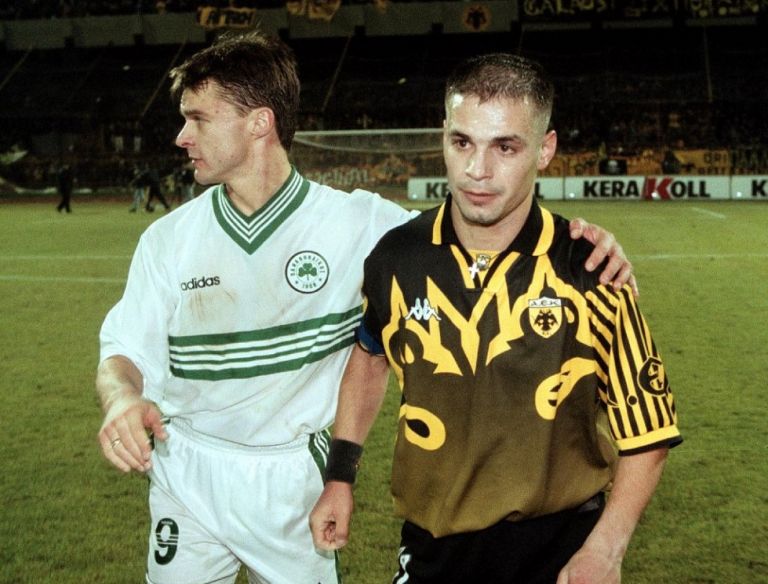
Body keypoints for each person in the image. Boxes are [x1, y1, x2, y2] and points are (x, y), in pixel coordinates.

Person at [96, 33, 635, 584]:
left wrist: (586, 245)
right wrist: (122, 399)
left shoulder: (361, 224)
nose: (182, 136)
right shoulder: (168, 241)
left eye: (198, 119)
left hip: (293, 479)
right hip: (186, 466)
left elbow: (472, 227)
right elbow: (122, 351)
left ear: (259, 123)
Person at [310, 53, 682, 584]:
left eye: (505, 147)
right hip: (432, 546)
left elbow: (649, 431)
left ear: (545, 149)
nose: (477, 170)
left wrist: (606, 549)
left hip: (562, 549)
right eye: (462, 142)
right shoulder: (397, 258)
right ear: (443, 135)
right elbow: (370, 359)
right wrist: (340, 476)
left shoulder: (591, 270)